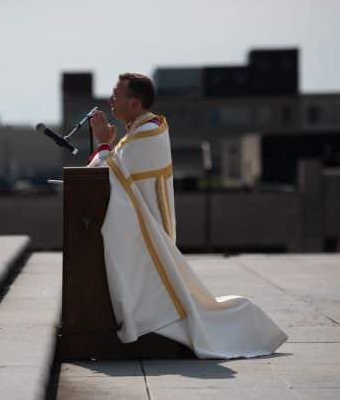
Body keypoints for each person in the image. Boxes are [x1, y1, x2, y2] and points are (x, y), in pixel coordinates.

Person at [87, 73, 288, 359]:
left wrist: (104, 143)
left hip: (147, 229)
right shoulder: (138, 130)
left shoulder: (148, 133)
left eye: (116, 95)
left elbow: (111, 174)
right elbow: (110, 171)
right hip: (141, 226)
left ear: (133, 103)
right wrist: (107, 146)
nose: (111, 99)